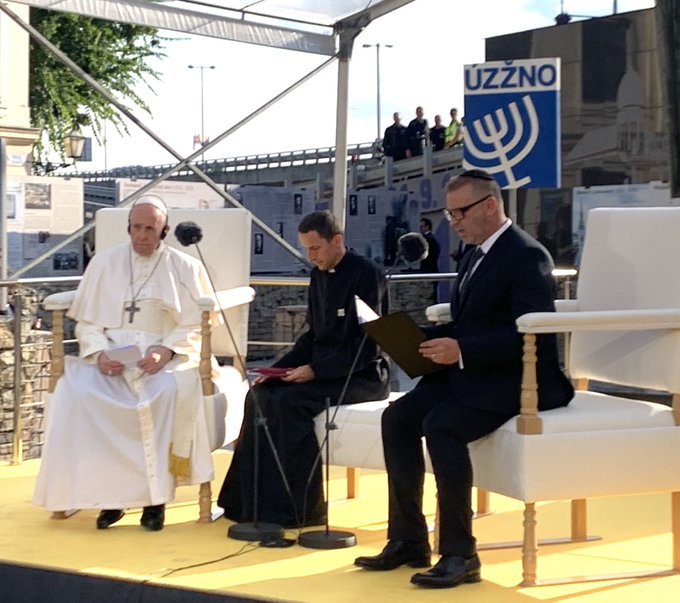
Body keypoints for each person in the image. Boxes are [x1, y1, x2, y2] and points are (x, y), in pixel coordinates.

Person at [354, 169, 574, 588]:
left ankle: (460, 553)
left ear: (490, 205)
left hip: (517, 377)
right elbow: (472, 321)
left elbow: (529, 332)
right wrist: (419, 341)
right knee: (396, 418)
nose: (453, 221)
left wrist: (463, 350)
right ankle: (407, 539)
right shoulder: (474, 253)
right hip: (471, 369)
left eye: (460, 212)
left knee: (442, 425)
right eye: (450, 213)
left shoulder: (527, 256)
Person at [33, 196, 216, 531]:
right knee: (81, 393)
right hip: (113, 356)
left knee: (163, 394)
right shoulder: (104, 263)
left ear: (165, 231)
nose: (142, 236)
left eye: (150, 229)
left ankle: (154, 500)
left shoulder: (185, 267)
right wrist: (99, 353)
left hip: (161, 358)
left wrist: (166, 351)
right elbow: (88, 322)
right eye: (136, 228)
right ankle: (111, 498)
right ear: (128, 228)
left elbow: (195, 323)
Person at [218, 210, 390, 528]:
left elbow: (369, 346)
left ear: (336, 241)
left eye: (316, 249)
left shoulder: (367, 274)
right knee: (259, 397)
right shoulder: (318, 275)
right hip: (321, 369)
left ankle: (299, 510)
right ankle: (249, 504)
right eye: (307, 250)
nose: (311, 258)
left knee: (289, 404)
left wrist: (315, 371)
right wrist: (275, 371)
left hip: (361, 374)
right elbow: (311, 337)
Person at [418, 217, 441, 301]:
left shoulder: (428, 239)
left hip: (429, 270)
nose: (420, 229)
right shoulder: (429, 239)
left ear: (427, 227)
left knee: (430, 296)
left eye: (422, 227)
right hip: (430, 269)